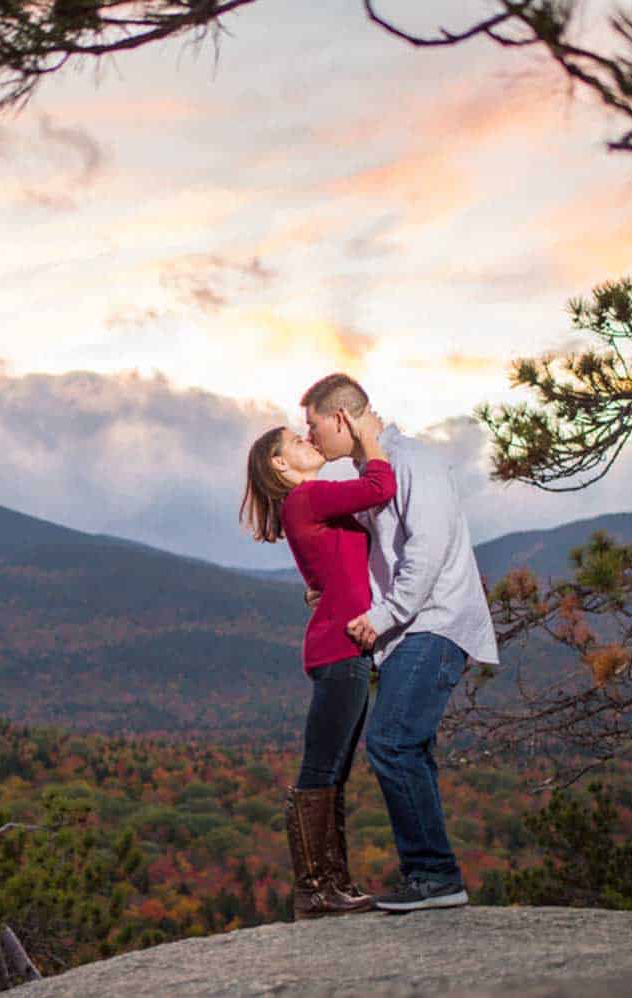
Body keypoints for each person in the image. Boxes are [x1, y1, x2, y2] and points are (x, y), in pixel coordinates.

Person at [299, 372, 498, 912]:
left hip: (433, 623)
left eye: (314, 424)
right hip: (407, 631)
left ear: (341, 417)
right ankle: (433, 877)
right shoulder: (374, 473)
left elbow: (427, 551)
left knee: (390, 742)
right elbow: (376, 559)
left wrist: (385, 614)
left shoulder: (414, 463)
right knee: (409, 747)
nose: (310, 435)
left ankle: (435, 876)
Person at [241, 410, 394, 919]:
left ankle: (332, 883)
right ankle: (314, 891)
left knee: (334, 771)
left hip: (344, 650)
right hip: (339, 651)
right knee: (321, 770)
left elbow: (333, 572)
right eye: (295, 440)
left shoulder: (303, 503)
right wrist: (370, 439)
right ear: (281, 463)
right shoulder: (308, 496)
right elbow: (379, 487)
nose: (307, 439)